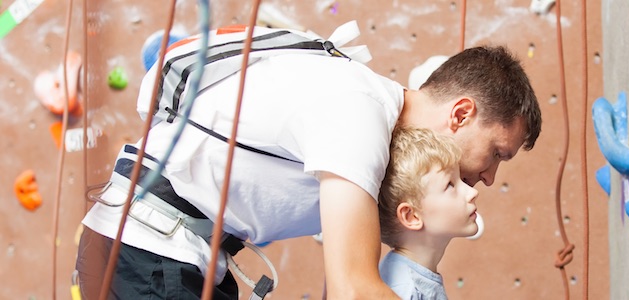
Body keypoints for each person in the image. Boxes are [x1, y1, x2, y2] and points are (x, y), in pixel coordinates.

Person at [75, 25, 542, 299]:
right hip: (150, 253)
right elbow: (353, 289)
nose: (488, 176)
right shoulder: (358, 114)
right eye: (497, 153)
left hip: (163, 252)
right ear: (461, 113)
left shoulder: (361, 103)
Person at [376, 127, 479, 299]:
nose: (472, 192)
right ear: (411, 216)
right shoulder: (404, 290)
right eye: (450, 185)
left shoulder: (414, 279)